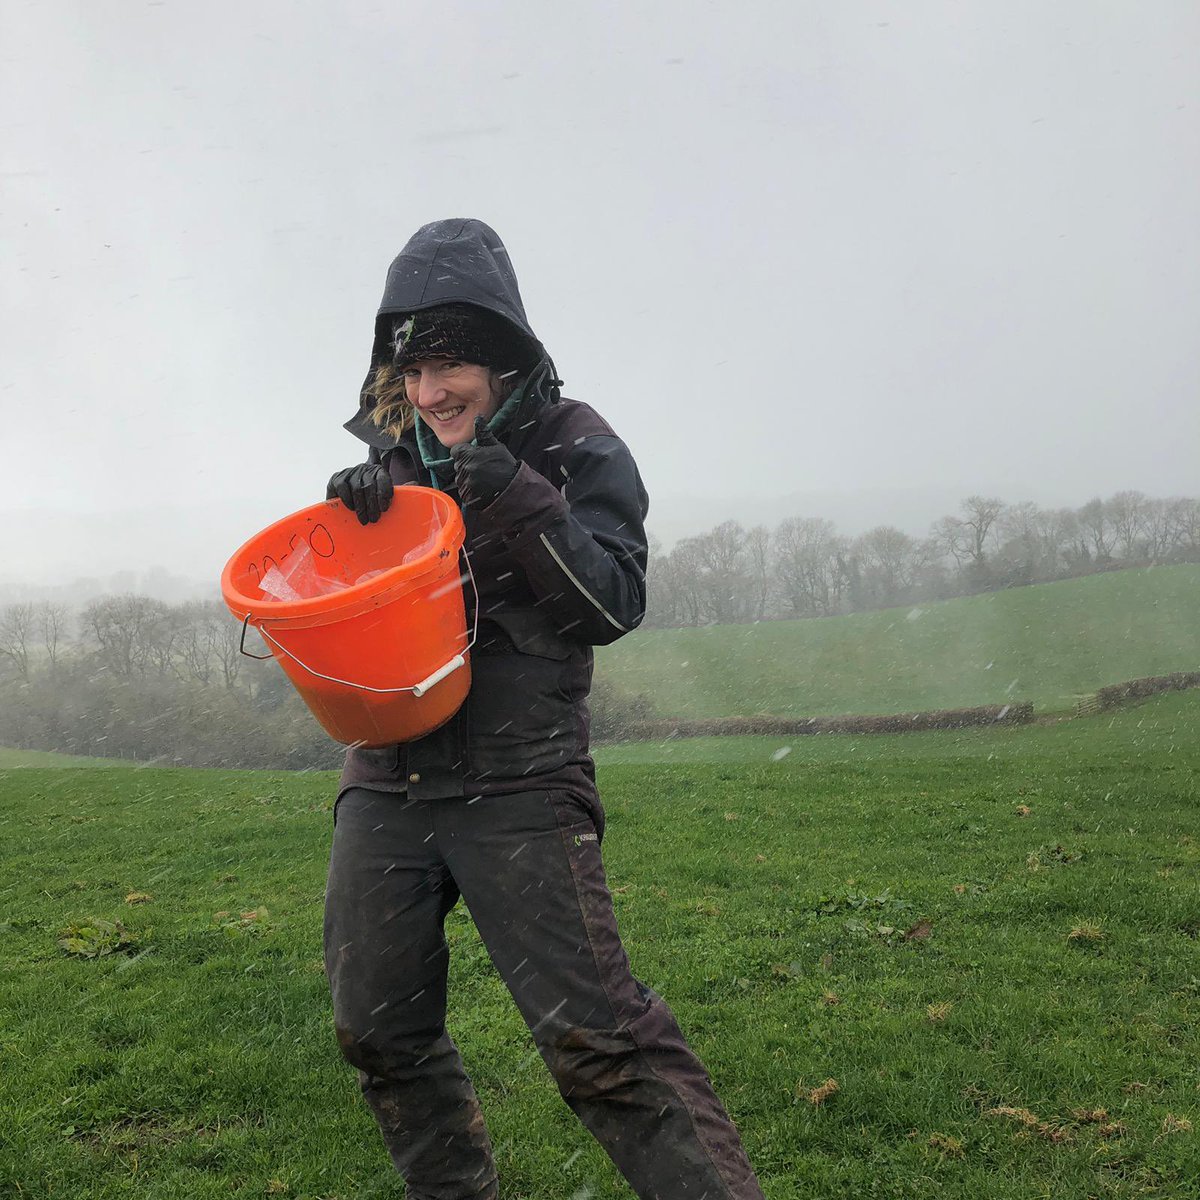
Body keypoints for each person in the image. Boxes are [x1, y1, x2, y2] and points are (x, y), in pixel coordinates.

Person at [323, 218, 763, 1200]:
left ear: (502, 354)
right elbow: (355, 609)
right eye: (412, 370)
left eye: (450, 365)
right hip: (387, 779)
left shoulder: (576, 445)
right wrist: (348, 523)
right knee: (378, 1032)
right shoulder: (396, 452)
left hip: (521, 783)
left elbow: (612, 606)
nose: (430, 393)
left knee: (600, 1045)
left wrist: (523, 499)